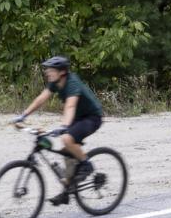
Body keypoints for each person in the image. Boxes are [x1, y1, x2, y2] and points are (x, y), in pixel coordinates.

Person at [12, 56, 103, 205]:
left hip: (92, 117)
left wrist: (64, 127)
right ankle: (68, 190)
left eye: (51, 70)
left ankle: (87, 165)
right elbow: (41, 98)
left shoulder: (72, 83)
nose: (47, 72)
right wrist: (23, 115)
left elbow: (70, 106)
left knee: (66, 139)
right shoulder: (55, 83)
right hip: (77, 118)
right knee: (68, 152)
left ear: (61, 72)